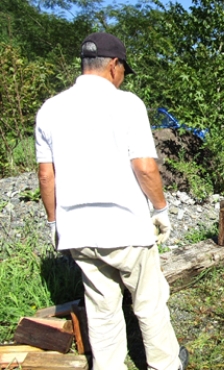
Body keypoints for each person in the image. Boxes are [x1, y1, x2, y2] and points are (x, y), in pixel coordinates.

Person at [35, 32, 188, 370]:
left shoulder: (50, 110)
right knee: (149, 301)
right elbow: (145, 168)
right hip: (126, 228)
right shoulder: (126, 103)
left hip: (78, 231)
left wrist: (53, 222)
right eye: (123, 69)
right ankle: (164, 364)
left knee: (101, 308)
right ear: (114, 65)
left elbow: (46, 176)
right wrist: (161, 210)